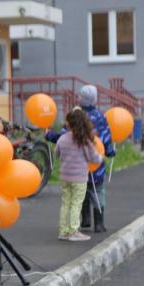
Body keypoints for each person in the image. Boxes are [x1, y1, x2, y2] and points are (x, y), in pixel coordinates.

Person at [46, 85, 116, 232]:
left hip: (76, 166)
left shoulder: (75, 117)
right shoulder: (100, 117)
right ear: (95, 99)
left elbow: (64, 135)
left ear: (80, 99)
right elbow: (106, 138)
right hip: (95, 165)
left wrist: (50, 136)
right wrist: (110, 152)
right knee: (98, 191)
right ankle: (99, 223)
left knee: (80, 193)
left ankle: (85, 220)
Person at [54, 108, 102, 242]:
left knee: (65, 203)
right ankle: (73, 231)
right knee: (76, 204)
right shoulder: (84, 141)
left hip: (65, 177)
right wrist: (101, 157)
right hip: (79, 178)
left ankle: (63, 231)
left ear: (69, 123)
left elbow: (56, 153)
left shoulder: (62, 138)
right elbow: (94, 158)